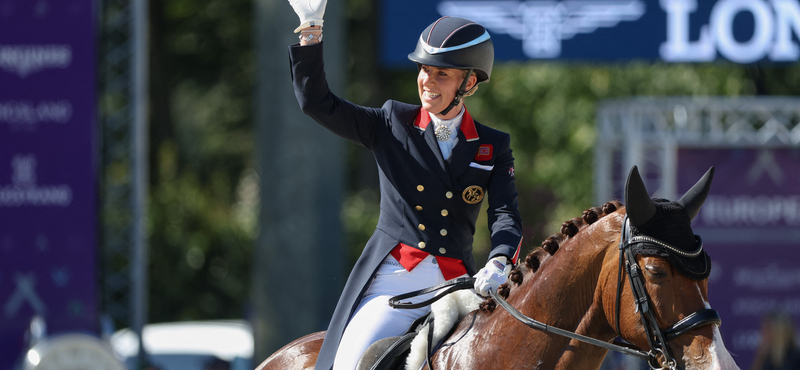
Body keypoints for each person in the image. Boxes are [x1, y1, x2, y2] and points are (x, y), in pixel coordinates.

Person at [287, 1, 523, 369]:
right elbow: (318, 103)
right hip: (394, 283)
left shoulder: (493, 145)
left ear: (470, 83)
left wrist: (501, 258)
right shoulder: (391, 122)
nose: (427, 82)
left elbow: (505, 212)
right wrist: (311, 30)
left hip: (459, 284)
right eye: (424, 70)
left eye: (441, 74)